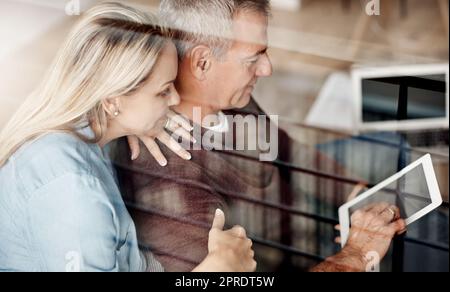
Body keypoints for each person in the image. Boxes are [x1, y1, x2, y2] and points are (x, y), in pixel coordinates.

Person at [114, 0, 407, 272]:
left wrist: (356, 197)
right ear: (202, 62)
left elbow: (288, 149)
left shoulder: (227, 97)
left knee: (402, 156)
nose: (267, 69)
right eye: (253, 58)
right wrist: (358, 252)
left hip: (315, 226)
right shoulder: (172, 183)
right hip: (318, 261)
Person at [0, 2, 256, 272]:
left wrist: (139, 120)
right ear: (112, 102)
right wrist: (218, 268)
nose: (176, 99)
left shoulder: (84, 134)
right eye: (163, 91)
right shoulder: (73, 191)